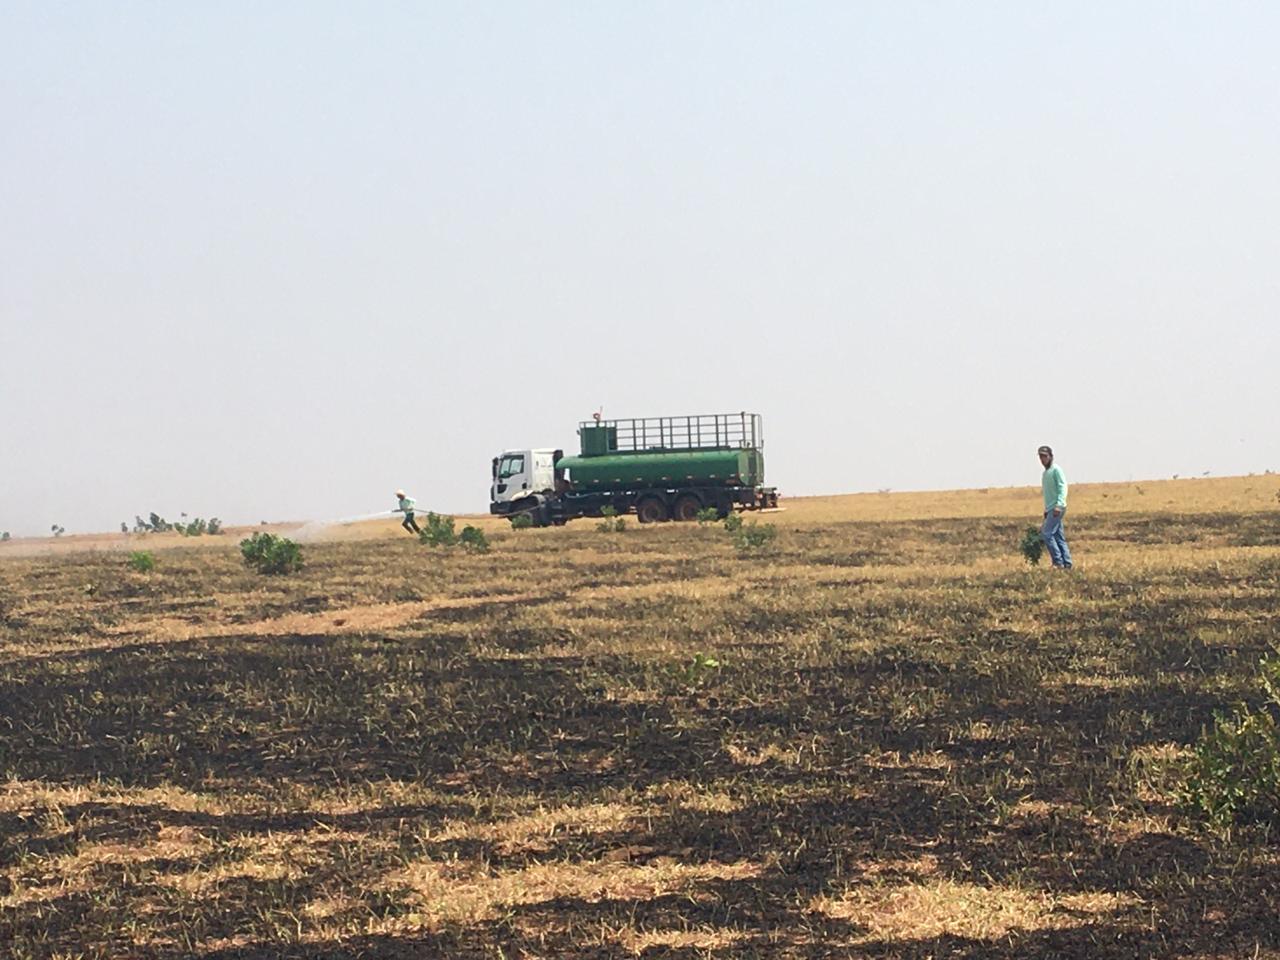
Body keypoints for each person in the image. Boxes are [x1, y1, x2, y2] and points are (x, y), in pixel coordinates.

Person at [1038, 446, 1072, 569]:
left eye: (1045, 456)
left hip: (1058, 507)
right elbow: (1049, 493)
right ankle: (1067, 563)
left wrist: (1059, 505)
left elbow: (1063, 487)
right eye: (1041, 457)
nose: (1043, 459)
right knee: (1058, 536)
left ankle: (1058, 562)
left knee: (1046, 534)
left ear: (1051, 457)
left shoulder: (1056, 470)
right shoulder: (1045, 473)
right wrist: (1047, 509)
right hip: (1051, 508)